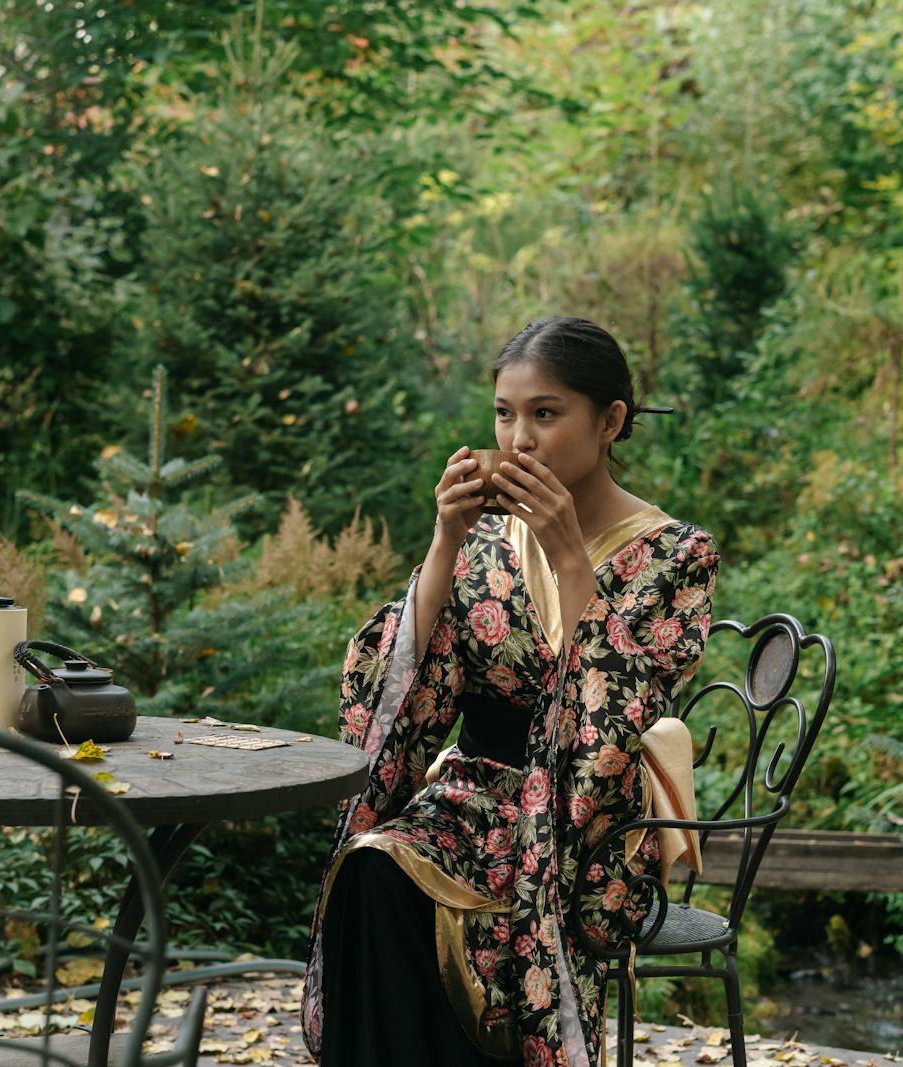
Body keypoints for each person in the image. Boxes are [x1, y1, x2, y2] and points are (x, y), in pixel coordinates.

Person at [300, 316, 721, 1066]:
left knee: (461, 902)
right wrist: (443, 541)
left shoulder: (677, 555)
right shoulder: (488, 542)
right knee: (370, 866)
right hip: (469, 801)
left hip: (588, 824)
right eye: (504, 413)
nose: (519, 438)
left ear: (611, 421)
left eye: (545, 413)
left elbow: (619, 720)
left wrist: (567, 553)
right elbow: (396, 689)